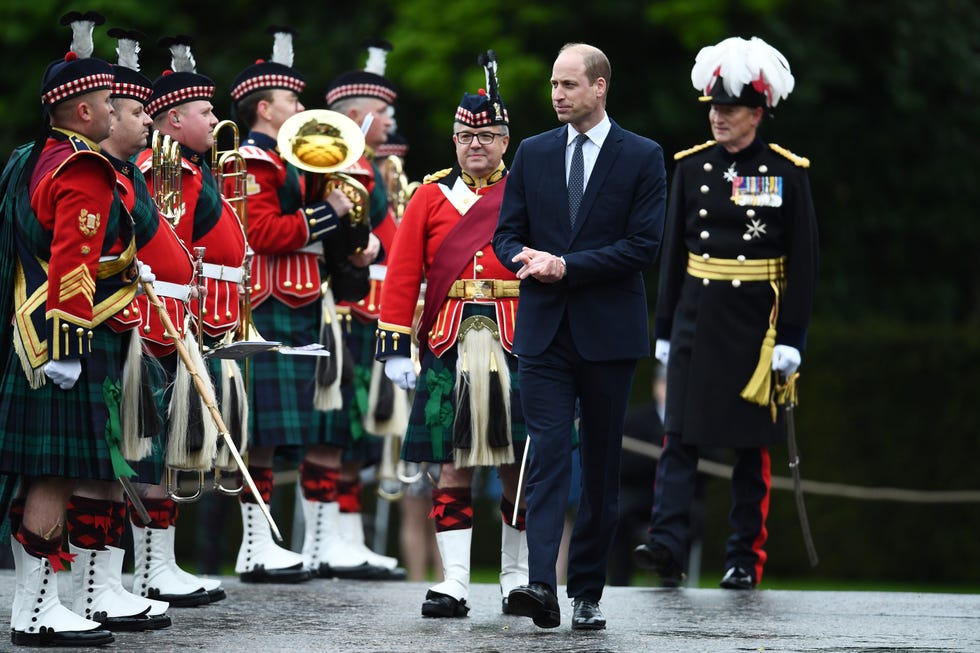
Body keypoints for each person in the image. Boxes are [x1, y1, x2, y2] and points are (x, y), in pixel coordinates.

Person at [633, 36, 818, 591]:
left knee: (747, 450)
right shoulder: (691, 168)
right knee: (678, 439)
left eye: (730, 109)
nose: (718, 118)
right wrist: (663, 329)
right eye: (714, 108)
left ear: (756, 114)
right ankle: (666, 543)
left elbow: (803, 263)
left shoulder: (786, 171)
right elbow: (675, 259)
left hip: (754, 329)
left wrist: (792, 337)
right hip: (695, 319)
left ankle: (743, 557)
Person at [492, 42, 666, 631]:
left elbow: (644, 247)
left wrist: (567, 265)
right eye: (553, 85)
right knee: (543, 455)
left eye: (569, 85)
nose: (558, 95)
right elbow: (506, 235)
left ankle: (587, 590)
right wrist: (524, 257)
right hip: (544, 332)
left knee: (598, 466)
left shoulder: (642, 155)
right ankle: (542, 583)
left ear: (600, 87)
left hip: (609, 334)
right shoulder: (534, 153)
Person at [0, 12, 146, 647]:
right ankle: (35, 612)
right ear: (83, 111)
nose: (118, 110)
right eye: (110, 101)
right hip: (62, 340)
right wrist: (65, 344)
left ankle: (41, 605)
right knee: (53, 476)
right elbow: (73, 261)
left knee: (45, 474)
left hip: (29, 331)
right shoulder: (82, 170)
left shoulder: (30, 157)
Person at [377, 51, 529, 618]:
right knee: (450, 463)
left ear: (505, 140)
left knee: (521, 461)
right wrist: (394, 343)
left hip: (517, 339)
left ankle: (516, 579)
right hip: (447, 340)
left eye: (487, 136)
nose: (476, 145)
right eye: (466, 136)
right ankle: (456, 581)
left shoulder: (526, 191)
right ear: (454, 139)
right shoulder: (428, 196)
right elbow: (402, 274)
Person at [229, 27, 383, 581]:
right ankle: (256, 545)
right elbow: (266, 232)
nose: (303, 109)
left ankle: (278, 546)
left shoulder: (293, 163)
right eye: (294, 102)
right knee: (262, 435)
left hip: (304, 303)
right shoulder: (251, 160)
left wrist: (350, 228)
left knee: (295, 431)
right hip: (271, 299)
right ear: (265, 109)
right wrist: (332, 211)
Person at [132, 35, 249, 595]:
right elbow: (168, 250)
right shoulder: (164, 169)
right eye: (205, 112)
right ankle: (152, 571)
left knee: (177, 450)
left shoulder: (197, 168)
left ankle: (162, 565)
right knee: (159, 450)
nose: (215, 119)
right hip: (170, 318)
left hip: (206, 313)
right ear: (173, 119)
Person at [317, 39, 407, 580]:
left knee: (356, 439)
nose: (391, 123)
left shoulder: (374, 166)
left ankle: (348, 537)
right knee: (342, 432)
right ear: (357, 117)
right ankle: (331, 541)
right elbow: (354, 244)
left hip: (370, 312)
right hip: (348, 311)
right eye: (384, 113)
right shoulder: (345, 165)